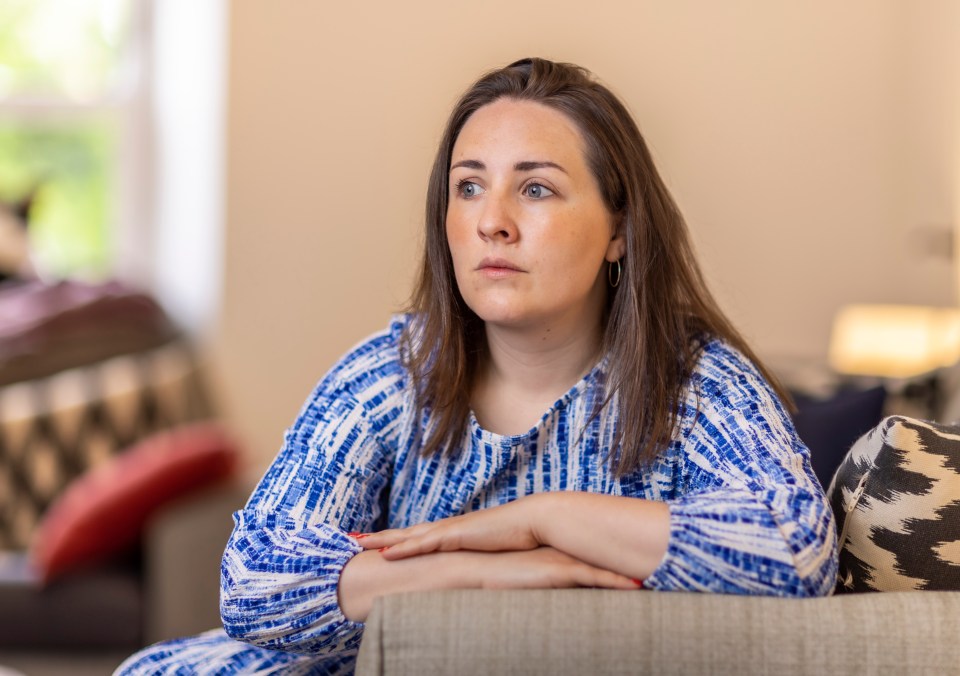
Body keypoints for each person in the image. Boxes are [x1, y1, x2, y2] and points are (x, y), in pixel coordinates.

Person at [117, 57, 838, 676]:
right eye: (469, 187)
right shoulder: (391, 374)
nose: (492, 220)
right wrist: (478, 571)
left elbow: (796, 549)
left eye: (535, 188)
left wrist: (537, 519)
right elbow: (253, 582)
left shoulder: (696, 383)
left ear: (619, 229)